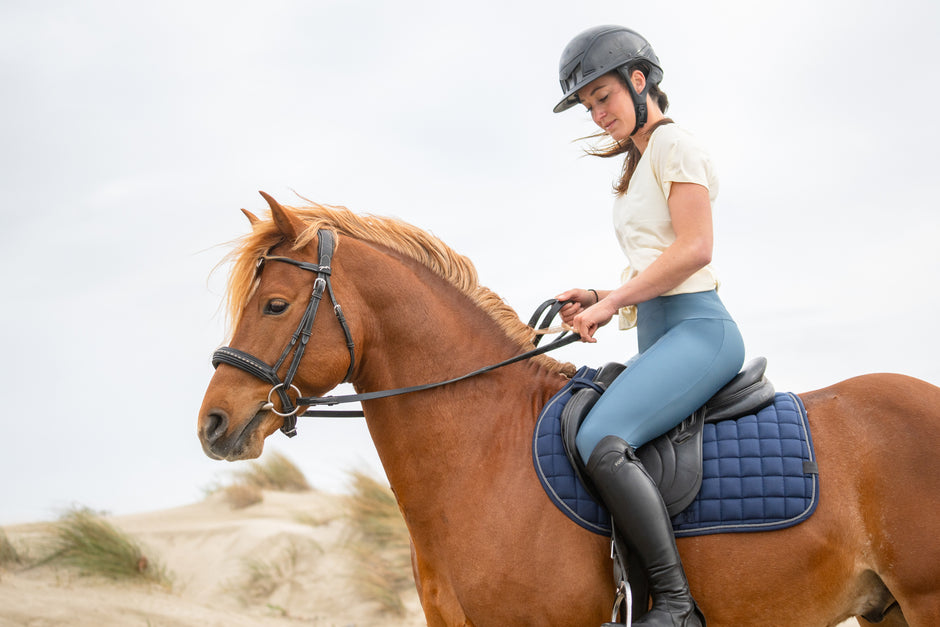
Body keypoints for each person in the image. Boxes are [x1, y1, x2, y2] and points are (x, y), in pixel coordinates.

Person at [553, 25, 746, 627]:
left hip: (700, 333)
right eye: (589, 107)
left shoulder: (674, 146)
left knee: (600, 442)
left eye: (603, 96)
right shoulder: (639, 164)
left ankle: (679, 605)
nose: (598, 114)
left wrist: (612, 306)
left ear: (639, 82)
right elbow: (657, 261)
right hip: (661, 330)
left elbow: (694, 250)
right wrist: (601, 293)